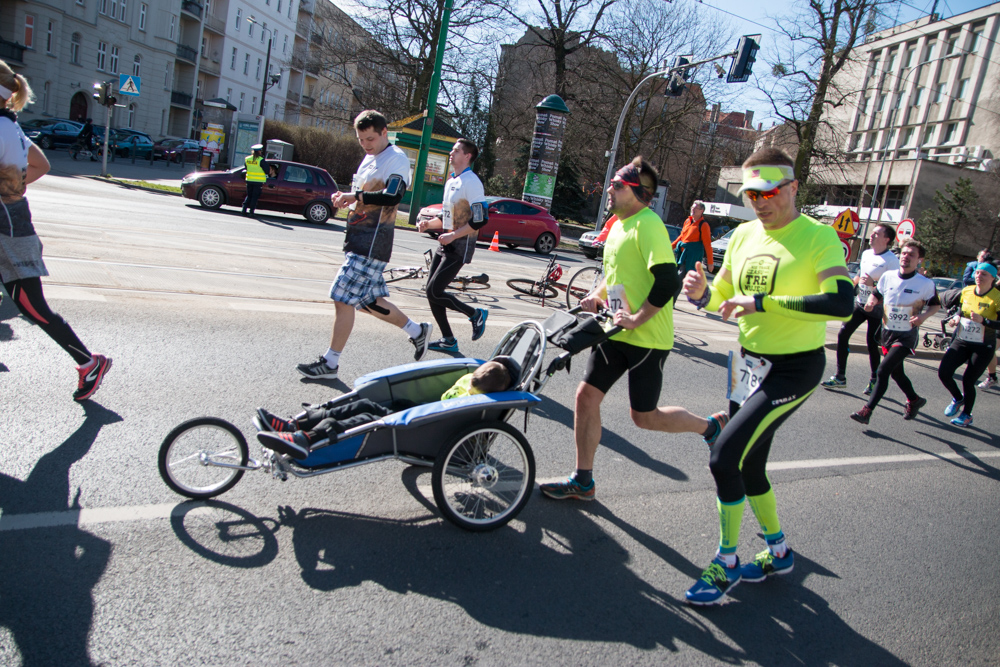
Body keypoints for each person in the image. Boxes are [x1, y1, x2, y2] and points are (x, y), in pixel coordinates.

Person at [680, 147, 853, 605]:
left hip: (794, 367)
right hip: (748, 363)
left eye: (768, 192)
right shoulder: (741, 236)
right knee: (749, 463)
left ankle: (728, 561)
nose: (759, 201)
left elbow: (841, 302)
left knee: (723, 456)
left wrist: (765, 304)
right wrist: (703, 294)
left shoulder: (819, 238)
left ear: (793, 188)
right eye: (751, 193)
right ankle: (779, 552)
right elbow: (726, 296)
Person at [538, 156, 729, 502]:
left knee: (644, 417)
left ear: (637, 191)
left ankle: (710, 426)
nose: (609, 188)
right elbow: (616, 279)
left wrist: (638, 319)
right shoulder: (618, 225)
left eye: (617, 184)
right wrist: (594, 297)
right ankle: (583, 481)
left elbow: (668, 282)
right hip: (613, 331)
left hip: (647, 340)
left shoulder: (648, 224)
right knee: (585, 397)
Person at [0, 60, 112, 400]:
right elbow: (41, 165)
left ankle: (88, 362)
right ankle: (87, 362)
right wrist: (14, 187)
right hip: (13, 219)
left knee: (31, 306)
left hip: (8, 230)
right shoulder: (11, 127)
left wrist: (10, 189)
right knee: (28, 304)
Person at [296, 110, 432, 380]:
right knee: (369, 301)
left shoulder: (396, 159)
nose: (366, 144)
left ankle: (330, 363)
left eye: (370, 138)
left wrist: (354, 195)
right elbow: (364, 196)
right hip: (358, 238)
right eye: (360, 140)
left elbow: (393, 195)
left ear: (384, 133)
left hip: (373, 242)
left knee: (340, 295)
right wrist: (346, 200)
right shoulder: (369, 159)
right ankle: (418, 332)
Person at [258, 357, 517, 459]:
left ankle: (304, 436)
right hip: (421, 413)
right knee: (363, 406)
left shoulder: (472, 391)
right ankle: (295, 426)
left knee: (365, 416)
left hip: (419, 424)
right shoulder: (474, 387)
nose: (472, 382)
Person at [849, 239, 939, 425]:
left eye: (911, 254)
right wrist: (872, 301)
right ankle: (914, 400)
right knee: (897, 373)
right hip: (887, 333)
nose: (906, 257)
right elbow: (878, 293)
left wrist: (923, 317)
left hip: (906, 336)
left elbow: (935, 305)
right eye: (904, 253)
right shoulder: (888, 276)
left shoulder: (925, 284)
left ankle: (867, 411)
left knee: (883, 371)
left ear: (919, 260)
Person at [415, 138, 489, 352]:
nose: (451, 153)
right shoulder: (451, 181)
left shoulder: (471, 181)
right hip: (446, 241)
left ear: (467, 156)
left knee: (434, 290)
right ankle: (448, 339)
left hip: (460, 245)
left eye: (456, 150)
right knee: (432, 292)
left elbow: (480, 219)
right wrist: (429, 224)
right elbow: (446, 217)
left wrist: (454, 235)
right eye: (452, 150)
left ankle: (475, 314)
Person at [821, 223, 899, 395]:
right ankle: (840, 376)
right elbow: (859, 275)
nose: (871, 235)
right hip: (860, 303)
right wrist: (849, 285)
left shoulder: (892, 260)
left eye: (876, 233)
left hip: (878, 308)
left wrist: (875, 285)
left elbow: (895, 287)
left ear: (887, 239)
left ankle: (874, 380)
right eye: (872, 233)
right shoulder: (866, 254)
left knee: (872, 344)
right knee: (842, 334)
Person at [936, 262, 1000, 427]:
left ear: (993, 278)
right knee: (944, 372)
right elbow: (961, 309)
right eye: (977, 273)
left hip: (983, 345)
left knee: (968, 380)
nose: (979, 276)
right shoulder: (967, 291)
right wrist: (956, 317)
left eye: (984, 274)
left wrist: (984, 321)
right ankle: (958, 398)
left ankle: (966, 415)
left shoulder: (997, 297)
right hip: (962, 340)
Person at [672, 200, 714, 275]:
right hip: (682, 255)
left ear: (702, 211)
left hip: (692, 258)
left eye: (695, 208)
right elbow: (681, 237)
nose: (693, 209)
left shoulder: (704, 225)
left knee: (681, 279)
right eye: (692, 207)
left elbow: (707, 244)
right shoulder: (688, 221)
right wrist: (670, 247)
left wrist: (710, 262)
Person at [241, 143, 269, 217]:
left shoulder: (247, 158)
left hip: (249, 180)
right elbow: (267, 170)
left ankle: (244, 210)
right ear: (259, 151)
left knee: (249, 195)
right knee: (254, 197)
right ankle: (251, 212)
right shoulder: (261, 160)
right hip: (258, 181)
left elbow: (246, 168)